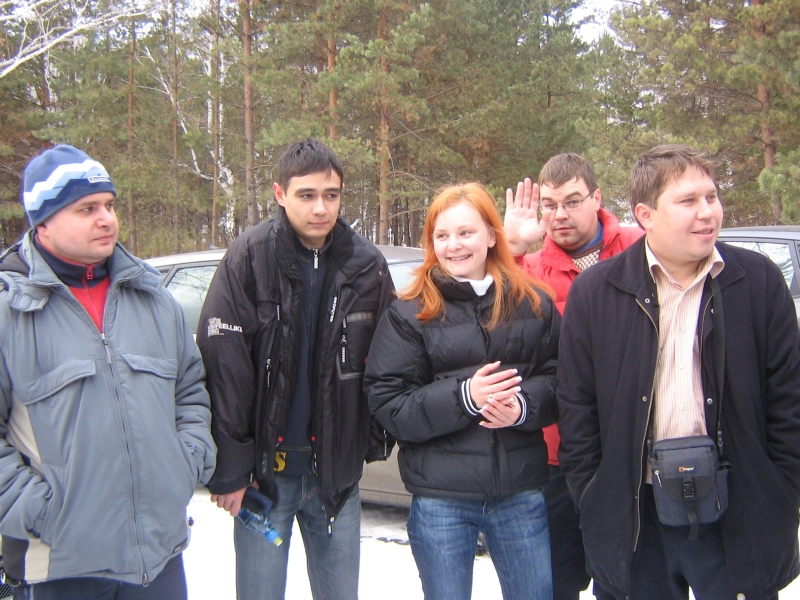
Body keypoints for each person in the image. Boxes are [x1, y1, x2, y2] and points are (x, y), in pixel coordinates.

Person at [557, 144, 800, 599]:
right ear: (645, 215)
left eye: (712, 196)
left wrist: (781, 489)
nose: (707, 211)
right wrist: (593, 493)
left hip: (740, 511)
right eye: (688, 201)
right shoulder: (596, 293)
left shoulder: (760, 281)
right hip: (637, 518)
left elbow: (789, 400)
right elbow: (576, 408)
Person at [0, 144, 216, 599]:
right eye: (87, 209)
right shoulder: (9, 310)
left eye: (110, 205)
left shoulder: (152, 297)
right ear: (43, 222)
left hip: (158, 557)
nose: (107, 219)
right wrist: (40, 510)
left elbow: (190, 391)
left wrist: (183, 467)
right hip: (60, 563)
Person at [197, 138, 395, 600]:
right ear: (280, 193)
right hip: (265, 479)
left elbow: (388, 360)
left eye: (331, 195)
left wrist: (370, 442)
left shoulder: (367, 265)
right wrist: (232, 469)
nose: (320, 208)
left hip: (336, 478)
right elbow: (224, 366)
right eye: (307, 195)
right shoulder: (249, 257)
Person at [364, 183, 560, 600]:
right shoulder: (409, 313)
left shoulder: (534, 303)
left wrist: (523, 407)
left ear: (491, 236)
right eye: (442, 235)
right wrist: (465, 397)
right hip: (441, 499)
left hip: (519, 493)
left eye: (465, 232)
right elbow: (388, 402)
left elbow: (562, 380)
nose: (453, 245)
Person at [503, 153, 641, 600]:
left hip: (631, 453)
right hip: (556, 456)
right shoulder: (528, 269)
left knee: (626, 581)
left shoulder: (640, 248)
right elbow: (488, 320)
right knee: (556, 582)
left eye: (572, 201)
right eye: (549, 205)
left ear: (597, 198)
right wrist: (511, 249)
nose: (559, 214)